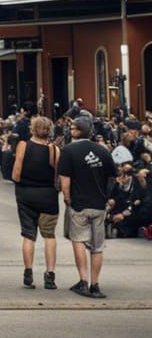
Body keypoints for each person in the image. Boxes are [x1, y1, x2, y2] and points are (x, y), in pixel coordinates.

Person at [57, 114, 115, 299]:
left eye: (73, 128)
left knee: (79, 241)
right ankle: (95, 284)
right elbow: (112, 177)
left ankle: (83, 280)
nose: (70, 130)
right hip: (98, 204)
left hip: (79, 203)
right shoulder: (103, 151)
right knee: (97, 247)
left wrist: (68, 199)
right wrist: (106, 196)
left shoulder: (69, 151)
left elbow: (65, 180)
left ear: (78, 131)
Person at [12, 114, 59, 289]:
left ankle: (28, 272)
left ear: (33, 129)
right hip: (48, 196)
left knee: (28, 234)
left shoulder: (23, 146)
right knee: (49, 235)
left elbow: (16, 174)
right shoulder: (54, 149)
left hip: (26, 194)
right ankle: (50, 274)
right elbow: (57, 177)